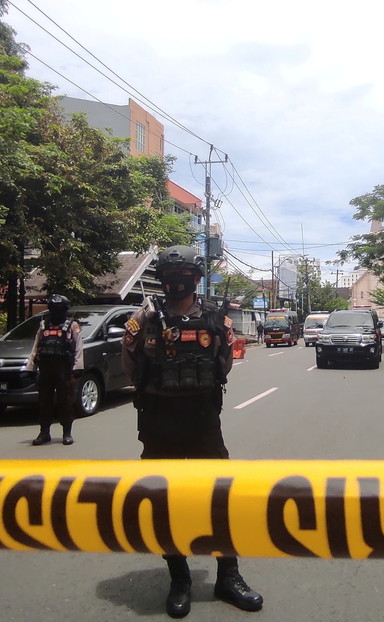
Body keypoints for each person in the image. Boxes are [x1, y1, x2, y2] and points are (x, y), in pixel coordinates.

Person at [121, 245, 263, 619]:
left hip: (202, 421)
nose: (177, 282)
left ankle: (228, 576)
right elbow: (131, 366)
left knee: (219, 499)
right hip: (159, 420)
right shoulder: (145, 318)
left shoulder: (217, 320)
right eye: (171, 276)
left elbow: (223, 365)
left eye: (184, 275)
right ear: (163, 280)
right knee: (166, 503)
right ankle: (179, 579)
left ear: (196, 279)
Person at [24, 293, 83, 446]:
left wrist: (78, 367)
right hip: (45, 368)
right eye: (53, 308)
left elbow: (78, 348)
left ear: (64, 309)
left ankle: (67, 433)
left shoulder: (72, 325)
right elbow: (36, 346)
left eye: (59, 308)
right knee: (44, 401)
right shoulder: (44, 325)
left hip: (64, 368)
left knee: (65, 401)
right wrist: (31, 367)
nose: (56, 311)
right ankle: (44, 433)